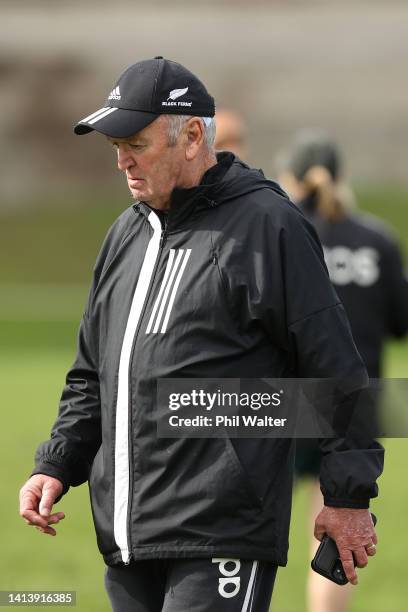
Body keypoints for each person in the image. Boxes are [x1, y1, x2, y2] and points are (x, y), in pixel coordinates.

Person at [19, 58, 383, 612]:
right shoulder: (124, 234)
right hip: (127, 534)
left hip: (222, 531)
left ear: (191, 137)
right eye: (115, 145)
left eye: (136, 143)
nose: (122, 161)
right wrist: (57, 462)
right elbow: (92, 375)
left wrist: (348, 497)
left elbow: (335, 367)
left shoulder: (269, 226)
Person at [279, 129, 408, 612]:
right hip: (355, 404)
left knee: (253, 525)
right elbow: (400, 322)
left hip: (281, 398)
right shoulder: (376, 239)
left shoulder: (280, 234)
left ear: (289, 178)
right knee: (334, 532)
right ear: (343, 176)